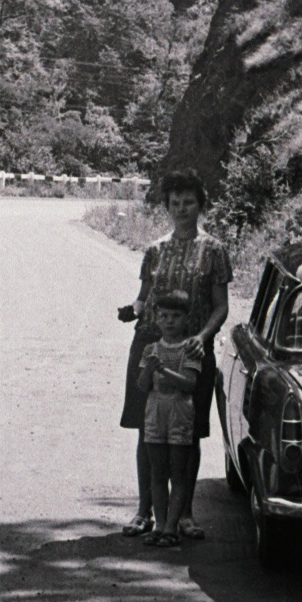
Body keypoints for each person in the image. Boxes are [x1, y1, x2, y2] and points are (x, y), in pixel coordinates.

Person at [118, 167, 232, 538]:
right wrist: (132, 310)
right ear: (166, 207)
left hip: (192, 351)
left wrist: (203, 336)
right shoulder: (155, 249)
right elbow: (143, 297)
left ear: (200, 205)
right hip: (151, 344)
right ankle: (144, 511)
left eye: (188, 202)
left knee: (189, 432)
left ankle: (184, 514)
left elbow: (221, 306)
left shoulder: (214, 250)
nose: (181, 209)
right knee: (147, 430)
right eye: (175, 203)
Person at [136, 289, 202, 548]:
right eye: (164, 316)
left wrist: (163, 370)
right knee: (157, 471)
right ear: (156, 319)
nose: (169, 321)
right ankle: (160, 524)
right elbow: (143, 386)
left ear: (186, 319)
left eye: (175, 316)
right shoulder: (151, 349)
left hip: (179, 413)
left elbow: (189, 384)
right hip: (155, 412)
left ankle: (172, 527)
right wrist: (150, 370)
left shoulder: (191, 349)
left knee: (178, 472)